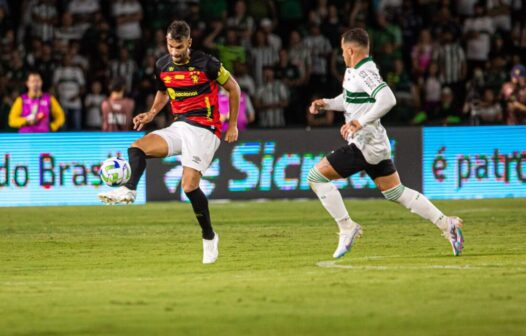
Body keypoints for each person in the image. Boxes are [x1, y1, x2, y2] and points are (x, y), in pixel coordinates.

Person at [308, 28, 464, 259]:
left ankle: (347, 227)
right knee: (395, 192)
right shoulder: (354, 71)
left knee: (315, 177)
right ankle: (447, 224)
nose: (342, 55)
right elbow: (352, 99)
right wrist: (328, 104)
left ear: (350, 50)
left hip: (365, 144)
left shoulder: (365, 71)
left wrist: (359, 122)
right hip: (374, 143)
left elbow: (387, 98)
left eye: (342, 51)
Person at [98, 21, 240, 264]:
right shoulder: (162, 65)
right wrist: (151, 113)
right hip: (180, 125)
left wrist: (233, 124)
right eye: (171, 46)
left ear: (189, 43)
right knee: (137, 147)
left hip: (206, 128)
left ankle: (209, 236)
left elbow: (233, 88)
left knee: (188, 187)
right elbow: (163, 92)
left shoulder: (208, 63)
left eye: (179, 46)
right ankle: (129, 189)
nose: (175, 52)